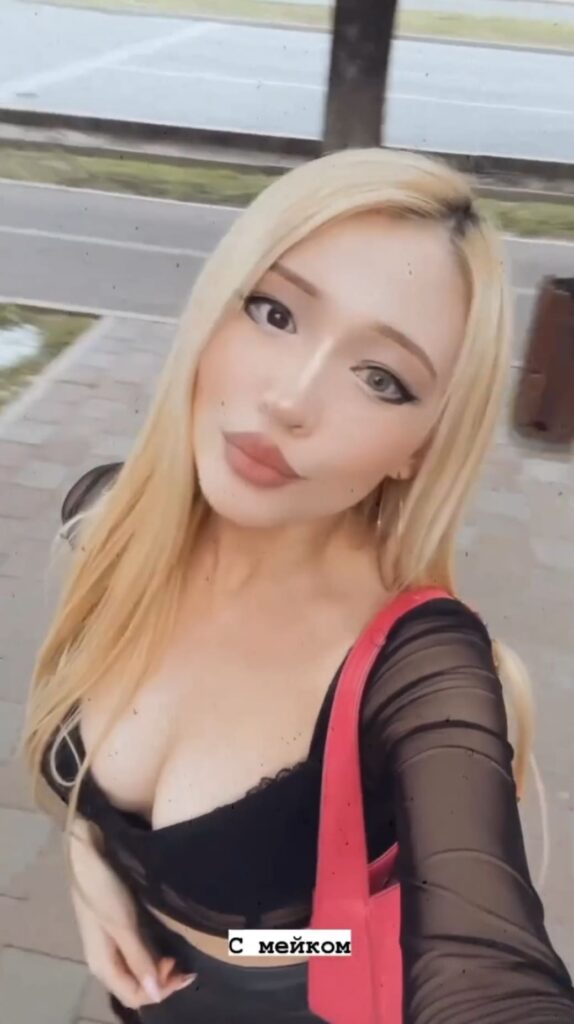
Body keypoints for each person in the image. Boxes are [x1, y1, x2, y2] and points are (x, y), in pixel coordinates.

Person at [21, 147, 574, 1024]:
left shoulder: (423, 674)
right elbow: (89, 776)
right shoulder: (109, 523)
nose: (290, 399)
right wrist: (93, 866)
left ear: (419, 449)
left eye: (381, 378)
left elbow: (471, 961)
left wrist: (238, 950)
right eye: (274, 312)